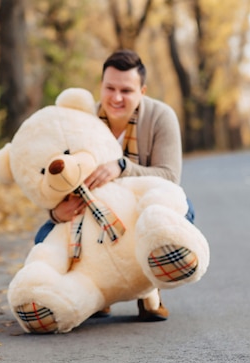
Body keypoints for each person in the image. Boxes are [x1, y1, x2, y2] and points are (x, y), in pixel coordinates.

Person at [35, 49, 193, 321]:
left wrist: (121, 167)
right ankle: (96, 291)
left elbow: (169, 178)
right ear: (101, 86)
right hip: (91, 214)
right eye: (110, 88)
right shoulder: (81, 121)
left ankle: (148, 290)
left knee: (182, 214)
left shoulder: (160, 117)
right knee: (43, 238)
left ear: (142, 91)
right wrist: (55, 213)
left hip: (136, 210)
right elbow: (55, 177)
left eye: (126, 90)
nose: (116, 98)